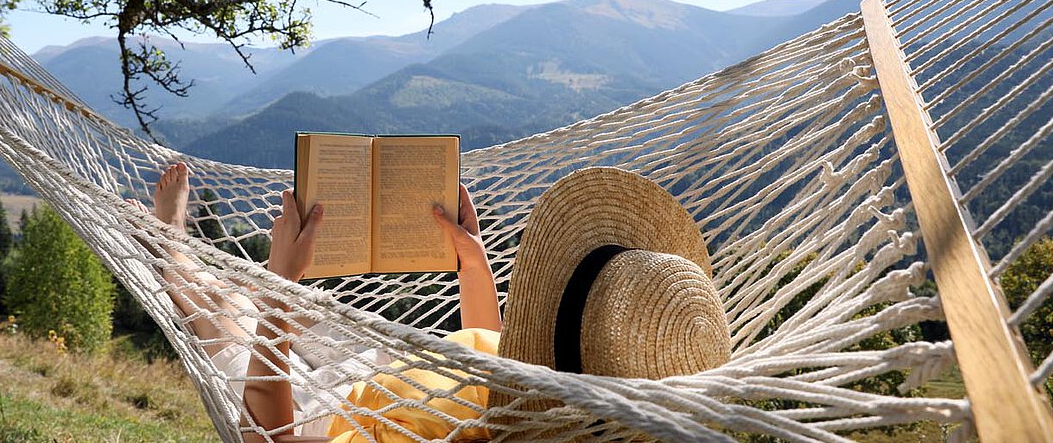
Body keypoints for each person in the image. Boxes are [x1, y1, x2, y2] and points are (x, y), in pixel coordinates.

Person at [144, 163, 732, 442]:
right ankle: (211, 267)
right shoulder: (547, 385)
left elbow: (270, 439)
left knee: (230, 319)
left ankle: (168, 245)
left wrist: (281, 292)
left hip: (327, 419)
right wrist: (472, 264)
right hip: (384, 366)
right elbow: (490, 360)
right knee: (255, 302)